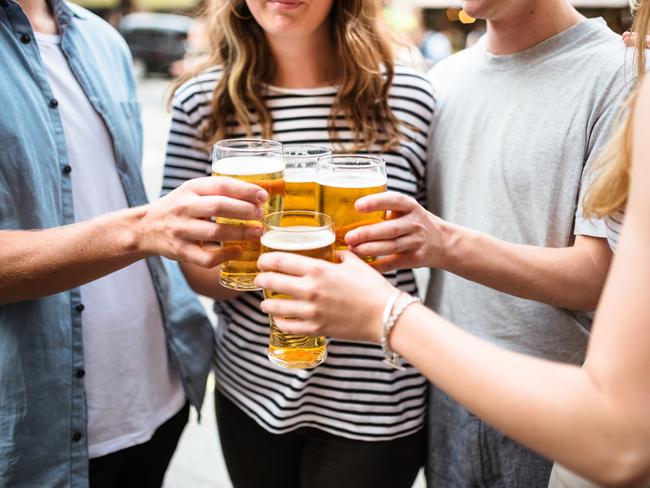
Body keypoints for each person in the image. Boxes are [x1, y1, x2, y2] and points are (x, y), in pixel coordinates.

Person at [255, 3, 650, 485]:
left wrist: (440, 247)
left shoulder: (621, 74)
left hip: (553, 401)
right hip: (444, 389)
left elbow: (599, 275)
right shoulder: (442, 81)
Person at [161, 1, 434, 487]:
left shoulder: (410, 94)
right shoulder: (201, 100)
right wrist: (252, 258)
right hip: (252, 387)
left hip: (375, 396)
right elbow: (193, 266)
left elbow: (435, 241)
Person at [0, 0, 268, 486]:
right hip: (35, 433)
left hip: (159, 400)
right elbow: (140, 224)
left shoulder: (102, 38)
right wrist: (143, 229)